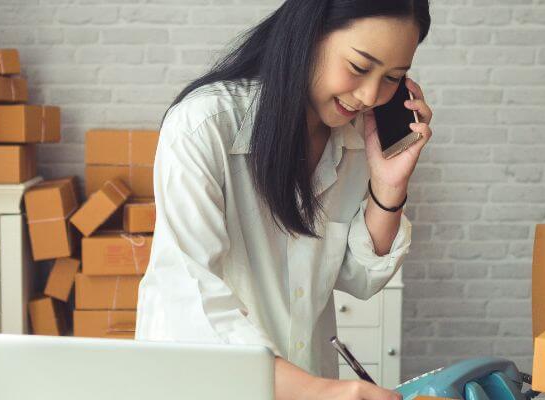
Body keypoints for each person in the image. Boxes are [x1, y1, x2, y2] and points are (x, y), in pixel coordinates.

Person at [135, 1, 433, 399]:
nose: (369, 95)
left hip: (306, 381)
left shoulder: (358, 138)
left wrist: (389, 186)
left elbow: (359, 278)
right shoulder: (203, 127)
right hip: (207, 385)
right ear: (309, 34)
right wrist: (319, 391)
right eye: (360, 67)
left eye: (393, 78)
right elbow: (189, 299)